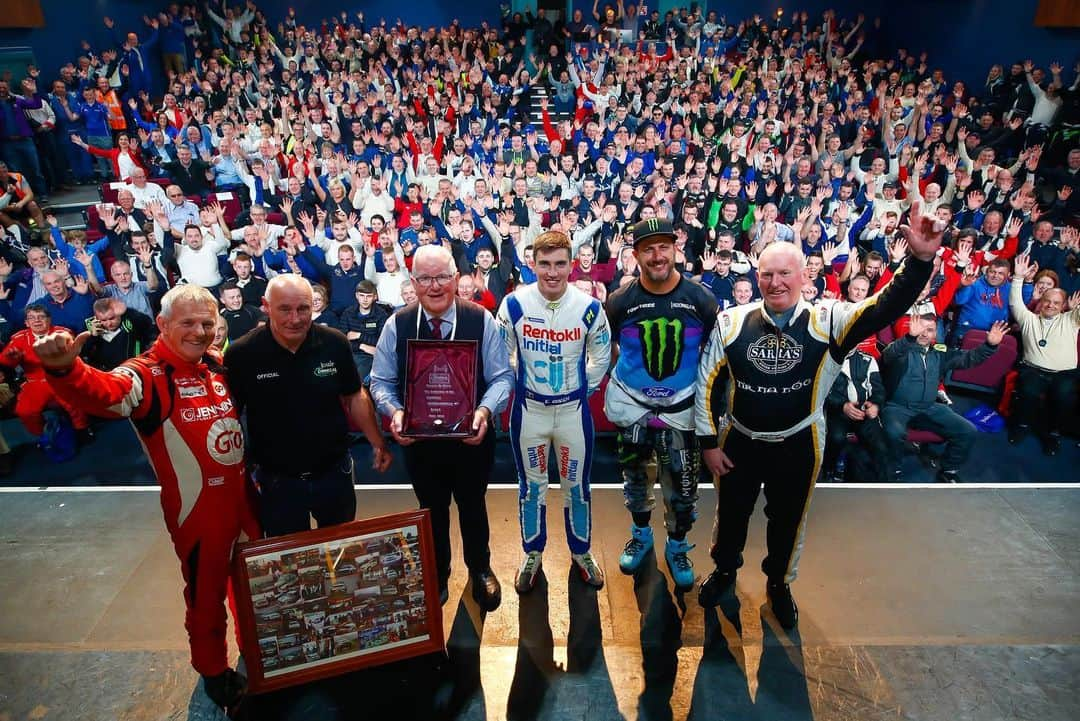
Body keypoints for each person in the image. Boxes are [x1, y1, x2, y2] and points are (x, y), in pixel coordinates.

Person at [694, 201, 946, 629]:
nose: (775, 283)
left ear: (804, 276)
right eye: (767, 274)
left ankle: (779, 583)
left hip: (799, 442)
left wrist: (920, 261)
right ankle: (724, 571)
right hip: (738, 441)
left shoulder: (830, 319)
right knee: (731, 515)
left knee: (789, 520)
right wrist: (707, 444)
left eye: (785, 273)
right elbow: (706, 385)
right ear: (757, 278)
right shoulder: (732, 321)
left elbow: (884, 307)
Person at [32, 285, 260, 714]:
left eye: (207, 324)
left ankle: (256, 651)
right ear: (162, 324)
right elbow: (104, 392)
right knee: (205, 596)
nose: (199, 331)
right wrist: (66, 370)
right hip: (197, 511)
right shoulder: (146, 373)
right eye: (188, 323)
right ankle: (213, 673)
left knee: (251, 585)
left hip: (244, 501)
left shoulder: (215, 366)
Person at [370, 244, 513, 610]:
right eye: (425, 278)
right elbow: (380, 382)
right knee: (430, 509)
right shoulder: (396, 324)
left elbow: (501, 378)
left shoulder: (481, 319)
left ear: (456, 278)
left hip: (471, 437)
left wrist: (483, 410)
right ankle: (437, 573)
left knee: (473, 505)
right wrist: (395, 411)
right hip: (420, 442)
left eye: (442, 277)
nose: (434, 286)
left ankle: (480, 569)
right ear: (413, 281)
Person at [224, 275, 392, 537]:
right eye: (284, 309)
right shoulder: (242, 354)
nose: (295, 318)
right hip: (278, 478)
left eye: (303, 308)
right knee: (289, 562)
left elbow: (354, 395)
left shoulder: (334, 343)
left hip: (333, 471)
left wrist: (377, 441)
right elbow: (230, 414)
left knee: (341, 550)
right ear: (265, 306)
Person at [604, 218, 718, 591]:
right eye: (648, 248)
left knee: (683, 487)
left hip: (682, 408)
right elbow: (608, 349)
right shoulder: (620, 301)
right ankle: (641, 535)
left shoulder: (702, 299)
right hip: (633, 406)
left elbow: (711, 356)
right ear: (635, 254)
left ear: (675, 248)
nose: (657, 256)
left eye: (663, 247)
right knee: (635, 480)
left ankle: (678, 545)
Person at [496, 230, 612, 593]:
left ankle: (581, 551)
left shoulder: (589, 306)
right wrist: (524, 384)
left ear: (571, 264)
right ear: (533, 264)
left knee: (576, 486)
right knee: (532, 488)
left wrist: (580, 390)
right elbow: (503, 356)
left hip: (572, 413)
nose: (552, 272)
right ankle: (532, 552)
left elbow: (602, 356)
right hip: (529, 411)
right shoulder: (513, 305)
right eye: (544, 264)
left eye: (560, 264)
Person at [880, 316, 1007, 480]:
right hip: (897, 408)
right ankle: (892, 471)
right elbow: (889, 354)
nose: (924, 333)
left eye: (930, 330)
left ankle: (949, 470)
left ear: (935, 334)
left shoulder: (940, 353)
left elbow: (968, 359)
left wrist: (990, 345)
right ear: (912, 328)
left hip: (929, 407)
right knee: (893, 433)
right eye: (921, 328)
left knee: (967, 430)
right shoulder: (901, 349)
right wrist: (910, 337)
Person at [1007, 254, 1079, 456]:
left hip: (1064, 373)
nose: (1051, 306)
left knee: (1063, 398)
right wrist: (1019, 278)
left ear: (1063, 305)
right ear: (1042, 301)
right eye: (1048, 301)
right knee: (1027, 393)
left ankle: (1053, 434)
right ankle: (1021, 427)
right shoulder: (1028, 318)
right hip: (1033, 369)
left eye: (1056, 303)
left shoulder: (1071, 320)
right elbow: (1015, 303)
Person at [0, 304, 91, 443]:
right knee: (25, 411)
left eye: (41, 317)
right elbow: (5, 363)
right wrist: (13, 358)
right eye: (32, 318)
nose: (37, 321)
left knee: (74, 403)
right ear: (26, 323)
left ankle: (82, 429)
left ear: (49, 319)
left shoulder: (62, 333)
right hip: (35, 381)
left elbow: (72, 355)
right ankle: (44, 435)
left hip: (61, 377)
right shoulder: (18, 339)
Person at [81, 297, 157, 371]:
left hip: (133, 368)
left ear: (119, 314)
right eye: (103, 320)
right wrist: (92, 337)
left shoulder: (131, 320)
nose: (109, 323)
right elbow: (83, 354)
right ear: (96, 318)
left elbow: (146, 323)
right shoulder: (90, 328)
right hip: (107, 373)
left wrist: (127, 311)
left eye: (112, 318)